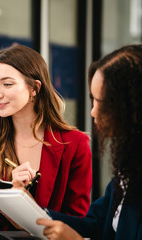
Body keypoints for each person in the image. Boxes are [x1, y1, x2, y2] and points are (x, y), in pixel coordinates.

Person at [0, 44, 92, 230]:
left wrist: (26, 207)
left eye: (7, 84)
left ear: (35, 88)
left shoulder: (75, 144)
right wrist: (8, 197)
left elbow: (77, 224)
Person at [36, 44, 142, 239]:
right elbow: (94, 223)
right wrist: (32, 213)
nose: (93, 112)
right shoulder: (129, 168)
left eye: (101, 102)